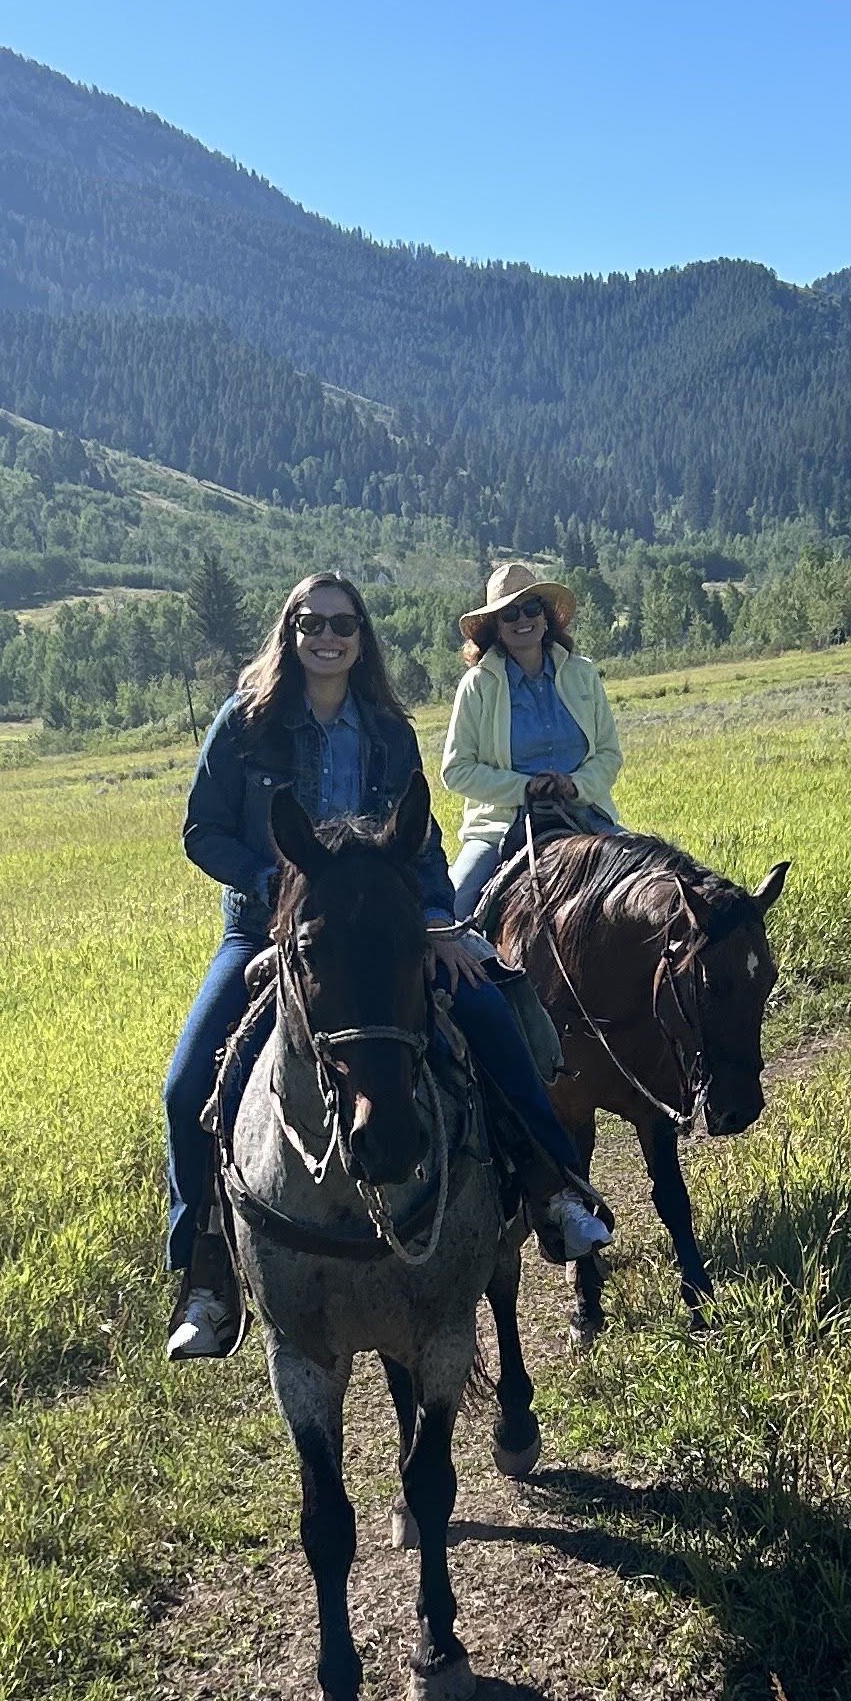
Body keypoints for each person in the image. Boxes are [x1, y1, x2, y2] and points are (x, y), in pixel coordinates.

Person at [162, 570, 613, 1362]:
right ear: (290, 633)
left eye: (343, 624)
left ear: (361, 638)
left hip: (390, 930)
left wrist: (440, 921)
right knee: (190, 1083)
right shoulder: (244, 724)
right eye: (312, 624)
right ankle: (207, 1273)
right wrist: (277, 886)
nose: (327, 637)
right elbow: (202, 833)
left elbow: (424, 839)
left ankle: (552, 1189)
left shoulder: (386, 730)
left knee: (489, 1010)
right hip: (270, 930)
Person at [442, 559, 627, 922]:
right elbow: (456, 770)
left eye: (530, 609)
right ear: (495, 627)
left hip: (585, 814)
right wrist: (526, 788)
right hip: (501, 828)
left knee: (656, 879)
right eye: (509, 614)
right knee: (453, 910)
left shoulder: (583, 674)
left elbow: (608, 753)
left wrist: (574, 786)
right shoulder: (477, 685)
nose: (522, 620)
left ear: (546, 618)